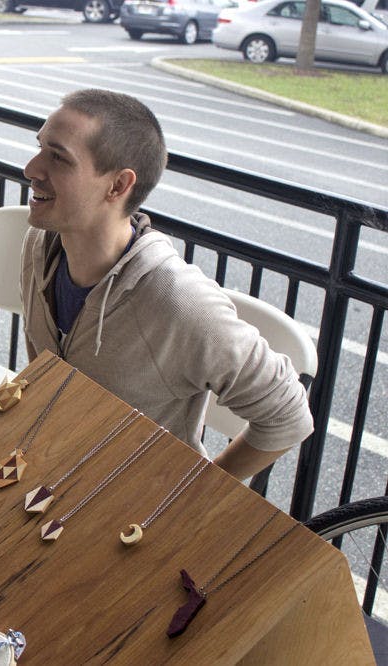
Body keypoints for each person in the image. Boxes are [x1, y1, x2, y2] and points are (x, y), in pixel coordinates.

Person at [19, 89, 313, 481]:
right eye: (40, 147)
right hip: (50, 473)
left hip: (130, 509)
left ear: (118, 185)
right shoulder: (41, 245)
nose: (31, 168)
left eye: (58, 157)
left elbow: (288, 416)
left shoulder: (177, 301)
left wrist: (194, 495)